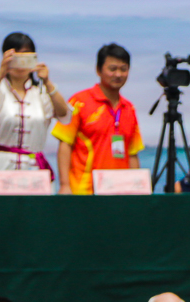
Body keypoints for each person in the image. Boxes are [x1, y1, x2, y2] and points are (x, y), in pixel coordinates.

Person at [0, 32, 69, 194]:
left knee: (33, 216)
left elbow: (64, 115)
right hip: (0, 166)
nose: (20, 63)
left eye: (25, 56)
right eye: (15, 56)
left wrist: (47, 81)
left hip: (33, 168)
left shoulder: (41, 91)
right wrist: (0, 75)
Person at [53, 43, 142, 194]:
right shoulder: (79, 101)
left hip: (120, 192)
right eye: (112, 69)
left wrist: (138, 188)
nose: (118, 74)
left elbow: (132, 153)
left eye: (124, 69)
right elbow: (65, 145)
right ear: (98, 70)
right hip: (85, 192)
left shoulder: (129, 108)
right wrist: (64, 185)